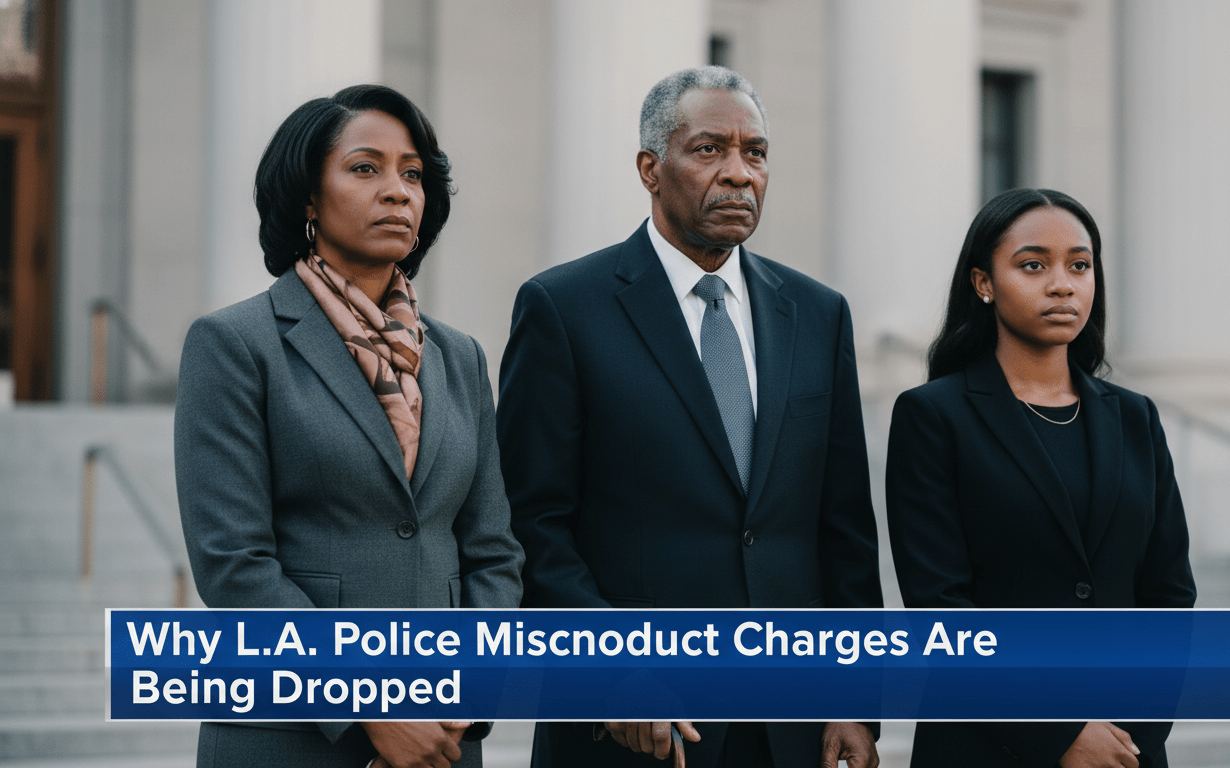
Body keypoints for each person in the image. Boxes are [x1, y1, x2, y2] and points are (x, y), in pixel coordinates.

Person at [495, 65, 884, 768]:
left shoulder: (818, 315)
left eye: (755, 153)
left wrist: (855, 698)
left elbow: (844, 528)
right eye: (709, 150)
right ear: (651, 168)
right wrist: (610, 673)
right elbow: (532, 525)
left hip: (790, 728)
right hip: (636, 725)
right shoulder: (563, 308)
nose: (739, 173)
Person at [175, 84, 525, 768]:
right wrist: (369, 702)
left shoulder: (459, 357)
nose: (397, 190)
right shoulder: (235, 344)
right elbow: (235, 566)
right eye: (366, 168)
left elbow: (493, 551)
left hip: (442, 740)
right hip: (289, 737)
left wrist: (467, 689)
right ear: (308, 196)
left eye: (413, 173)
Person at [886, 188, 1197, 768]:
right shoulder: (933, 416)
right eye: (1034, 266)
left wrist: (1133, 731)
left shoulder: (1135, 417)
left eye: (1080, 265)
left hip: (1124, 751)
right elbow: (941, 608)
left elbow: (1170, 596)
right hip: (986, 745)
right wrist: (1059, 733)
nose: (1063, 284)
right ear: (984, 283)